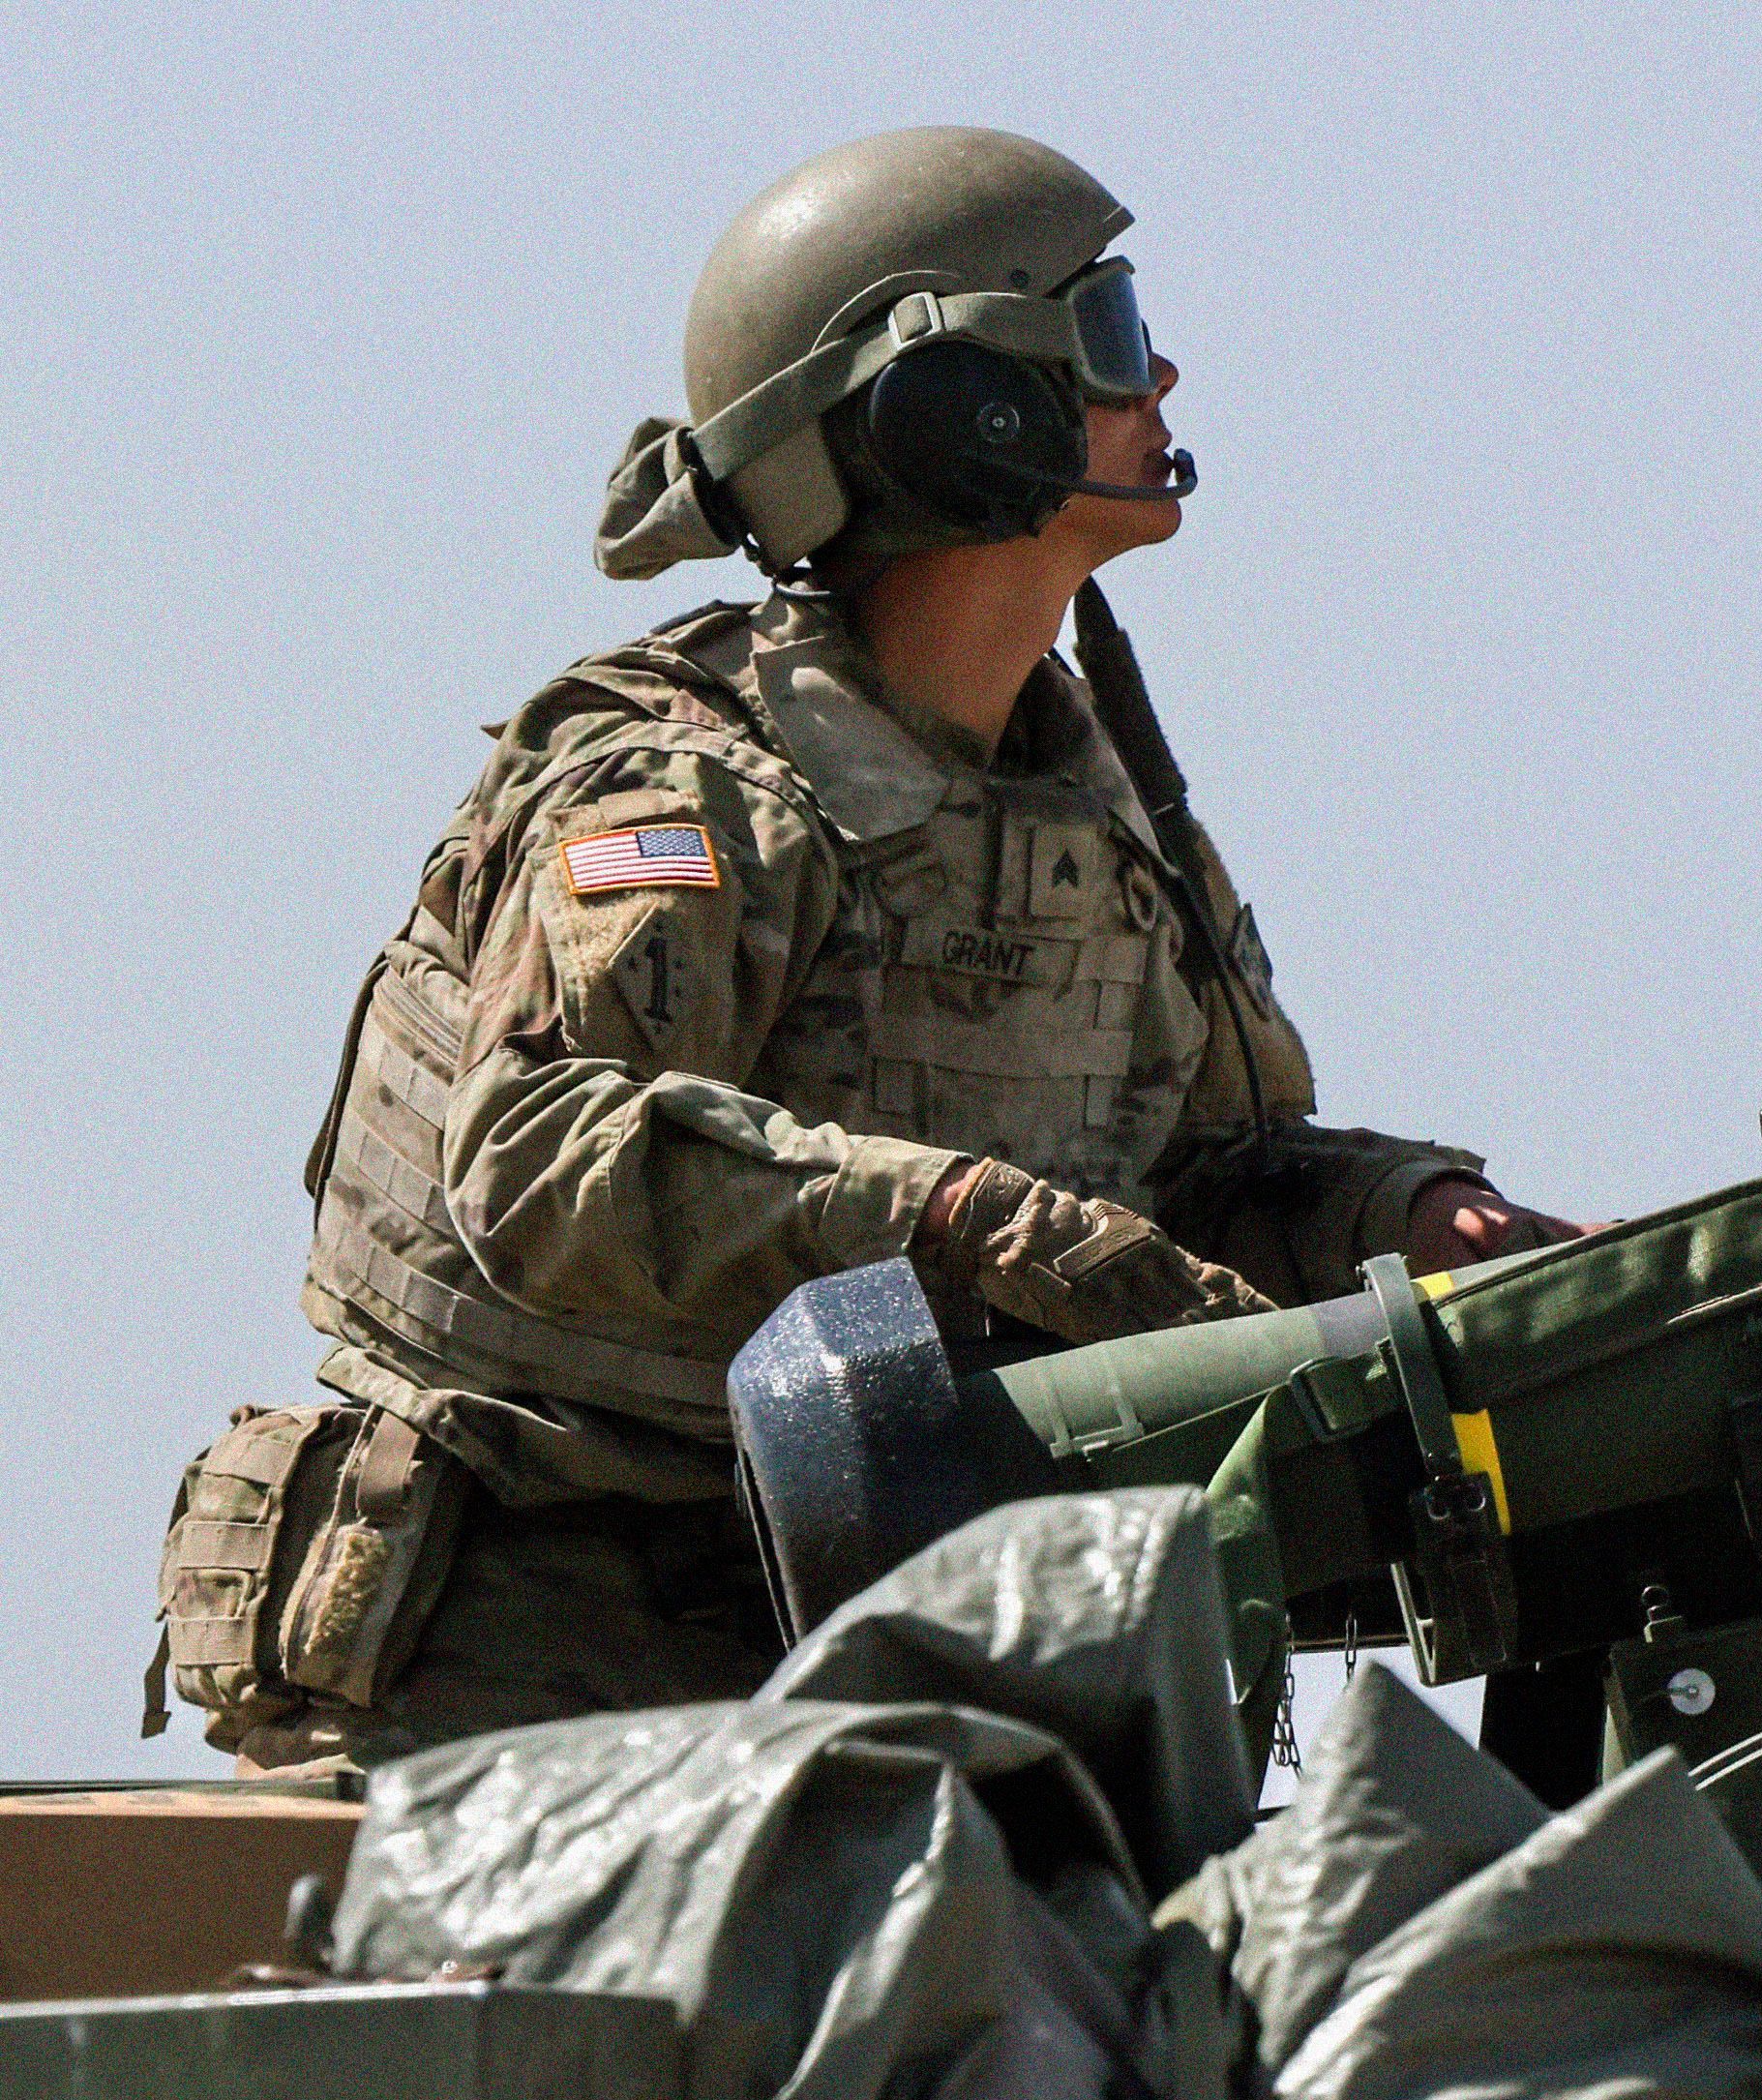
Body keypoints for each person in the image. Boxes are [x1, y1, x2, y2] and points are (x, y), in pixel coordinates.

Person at [155, 128, 1570, 1784]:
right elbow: (538, 1160)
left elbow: (1179, 1196)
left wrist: (1404, 1215)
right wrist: (966, 1225)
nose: (1161, 373)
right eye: (1106, 338)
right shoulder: (684, 785)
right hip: (528, 1667)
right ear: (962, 409)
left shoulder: (1096, 803)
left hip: (886, 1643)